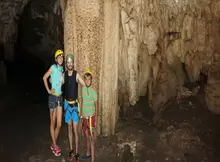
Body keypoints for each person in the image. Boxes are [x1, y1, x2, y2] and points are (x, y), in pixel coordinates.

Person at [63, 54, 85, 161]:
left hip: (75, 106)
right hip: (67, 105)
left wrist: (85, 96)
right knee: (69, 128)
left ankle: (77, 152)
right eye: (68, 62)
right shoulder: (64, 75)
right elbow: (58, 83)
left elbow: (84, 84)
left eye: (71, 62)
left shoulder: (76, 75)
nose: (70, 64)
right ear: (66, 64)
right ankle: (71, 150)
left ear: (73, 63)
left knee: (75, 130)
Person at [43, 49, 64, 156]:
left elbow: (61, 81)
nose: (61, 59)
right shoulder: (53, 67)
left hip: (59, 97)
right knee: (53, 122)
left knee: (59, 124)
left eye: (62, 57)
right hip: (52, 98)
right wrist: (48, 90)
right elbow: (44, 77)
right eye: (59, 57)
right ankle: (55, 146)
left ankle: (53, 144)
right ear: (56, 59)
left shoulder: (61, 69)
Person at [80, 69, 99, 162]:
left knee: (91, 138)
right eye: (86, 79)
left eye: (89, 79)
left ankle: (92, 160)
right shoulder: (83, 89)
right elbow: (82, 101)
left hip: (91, 117)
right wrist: (80, 115)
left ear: (91, 80)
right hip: (84, 117)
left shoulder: (93, 92)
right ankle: (88, 154)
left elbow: (96, 105)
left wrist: (97, 117)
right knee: (86, 136)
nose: (87, 81)